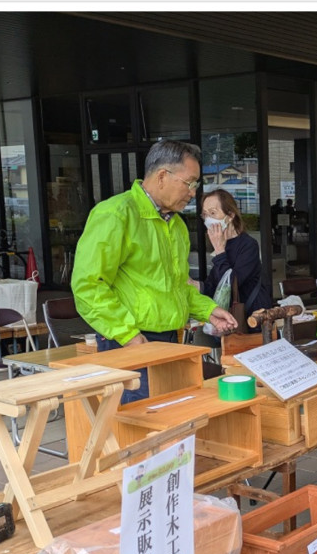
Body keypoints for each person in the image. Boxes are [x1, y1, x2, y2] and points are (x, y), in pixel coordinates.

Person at [72, 140, 237, 398]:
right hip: (128, 340)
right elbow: (88, 286)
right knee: (144, 426)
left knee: (176, 421)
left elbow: (177, 285)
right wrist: (129, 336)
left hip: (170, 338)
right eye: (190, 183)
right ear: (162, 176)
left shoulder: (177, 225)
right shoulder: (116, 214)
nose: (193, 192)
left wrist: (209, 310)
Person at [203, 188, 268, 324]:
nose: (209, 219)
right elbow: (214, 285)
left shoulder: (248, 245)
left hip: (251, 319)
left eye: (213, 213)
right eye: (205, 215)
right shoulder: (221, 244)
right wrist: (194, 285)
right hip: (227, 320)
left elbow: (230, 284)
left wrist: (220, 250)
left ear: (230, 215)